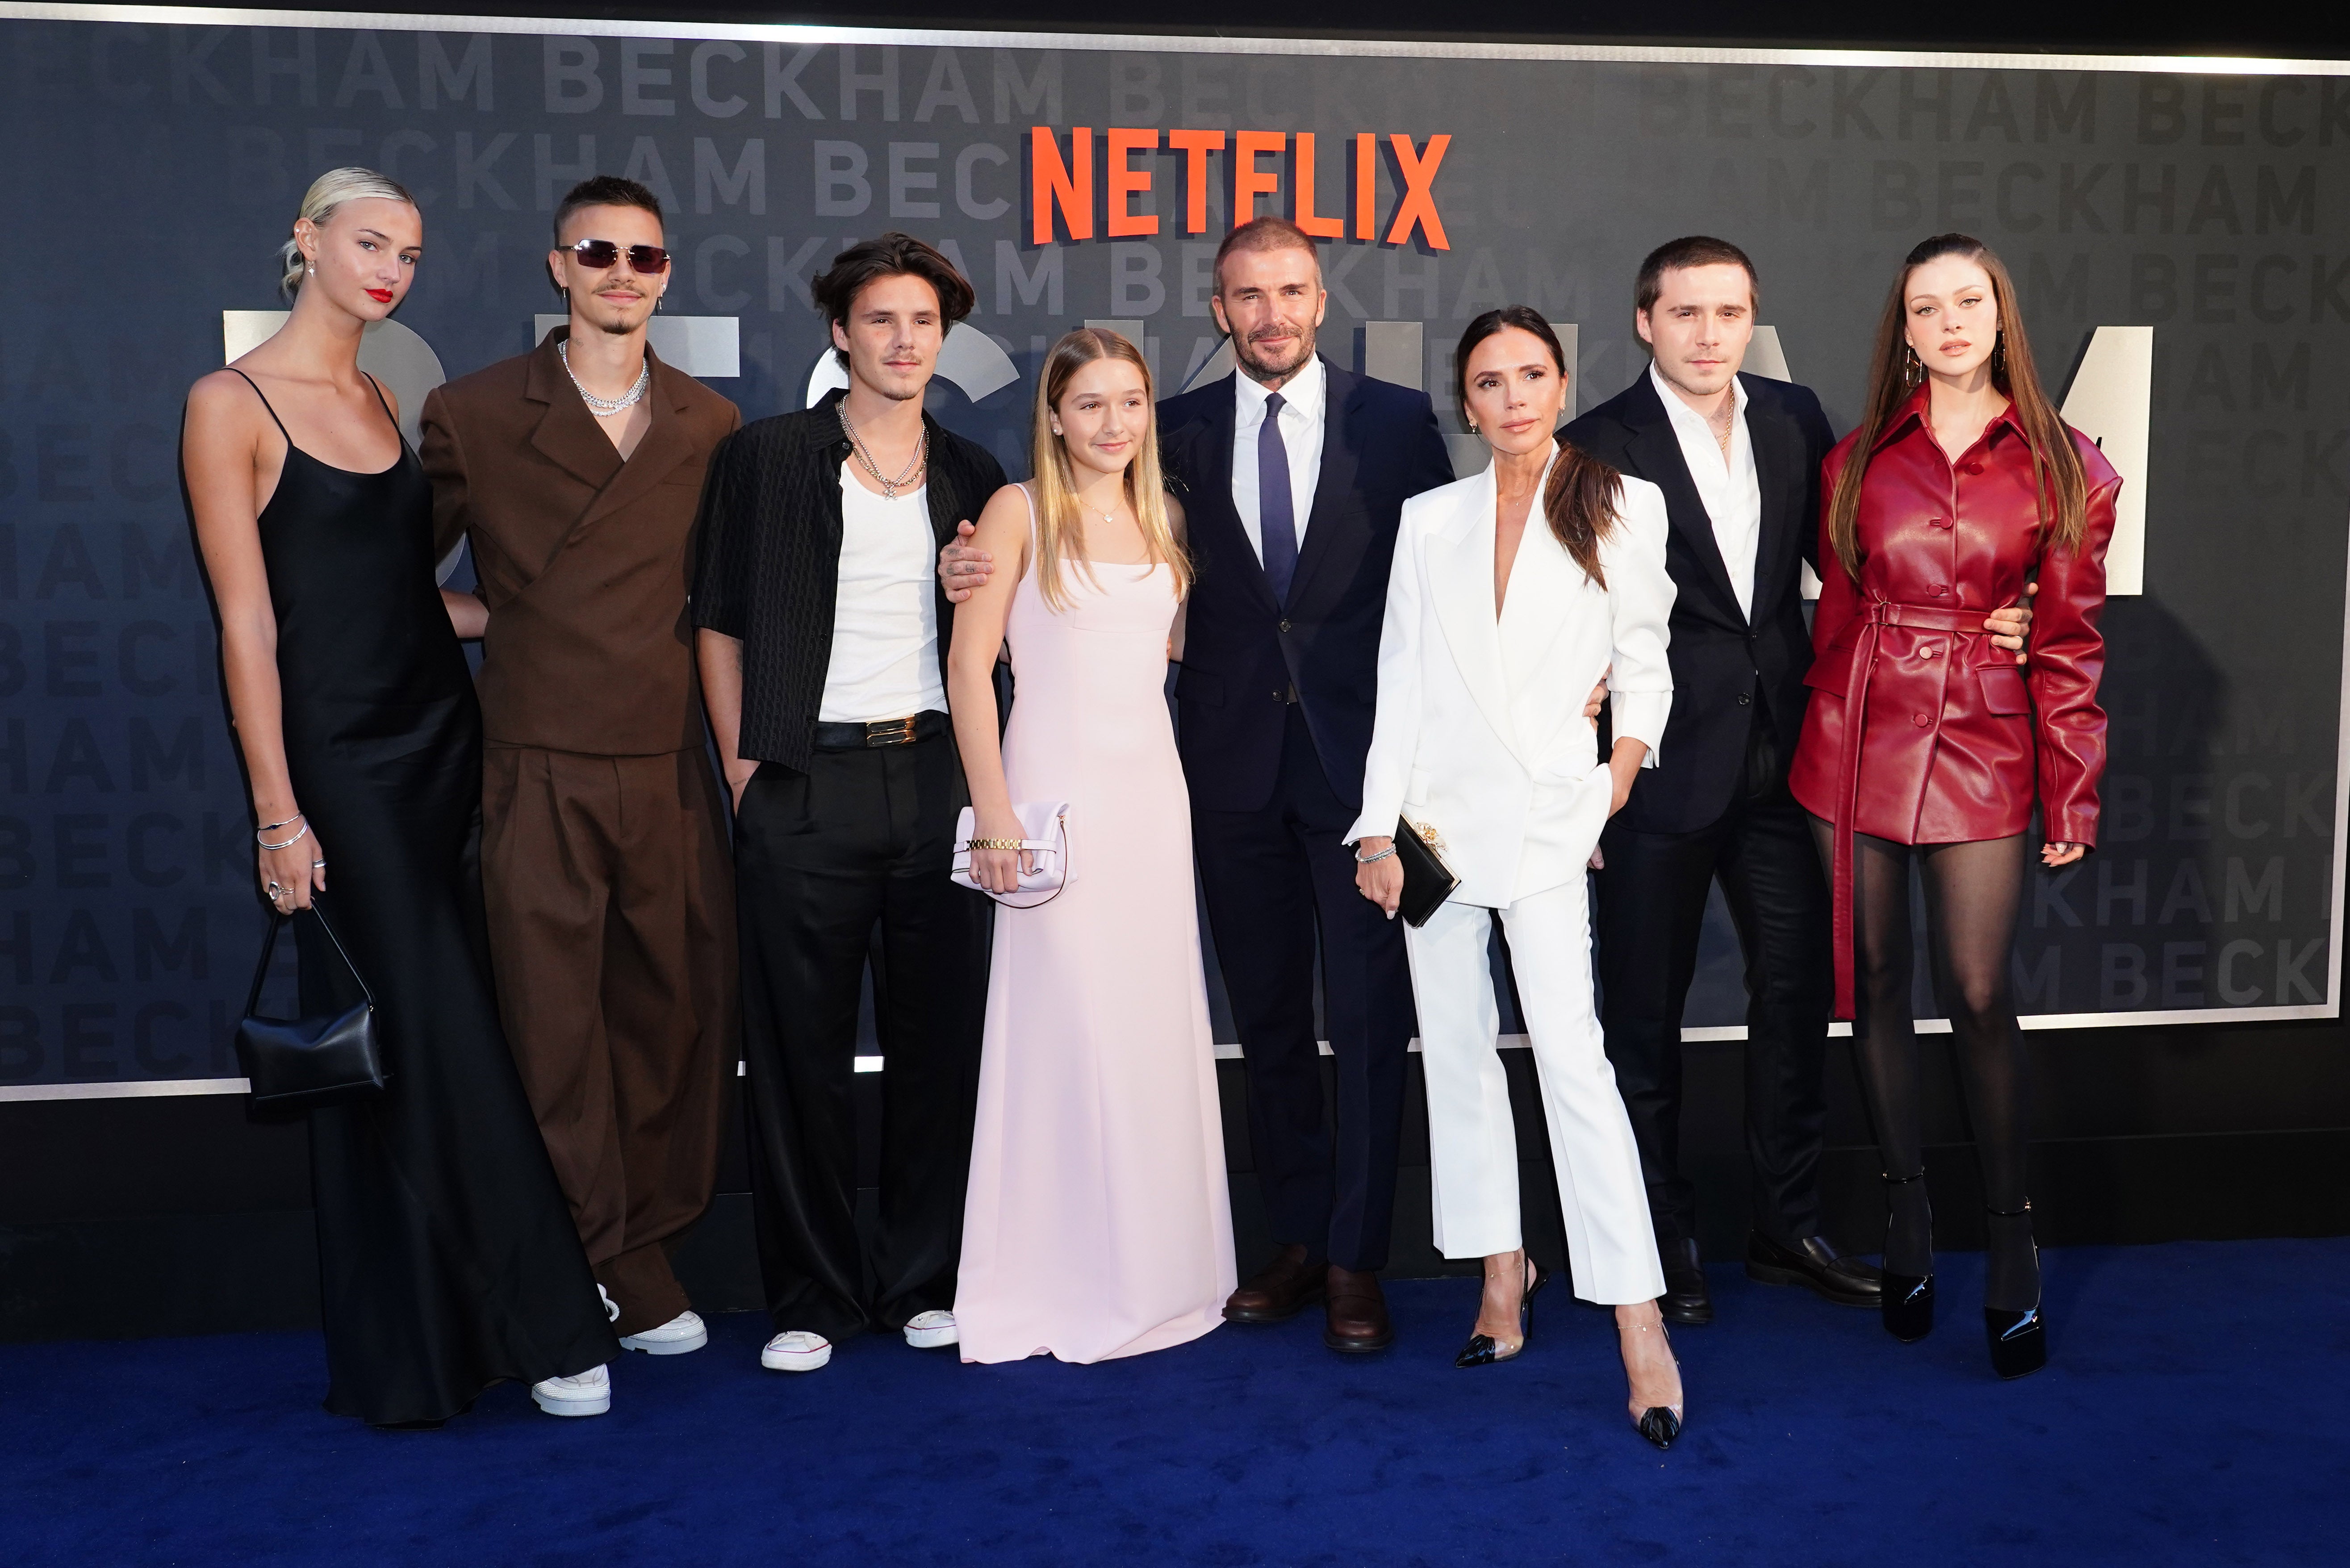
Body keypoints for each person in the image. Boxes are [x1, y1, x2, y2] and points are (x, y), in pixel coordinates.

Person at [948, 217, 1457, 1354]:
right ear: (1219, 311)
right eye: (1248, 296)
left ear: (1320, 299)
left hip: (1361, 782)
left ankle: (1358, 1257)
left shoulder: (1395, 421)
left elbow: (1446, 582)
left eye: (1292, 291)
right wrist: (966, 562)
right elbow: (1095, 565)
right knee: (1267, 1019)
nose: (1272, 314)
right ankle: (1298, 1238)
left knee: (1367, 1021)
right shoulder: (1167, 431)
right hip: (1221, 778)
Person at [182, 167, 617, 1426]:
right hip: (339, 765)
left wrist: (541, 617)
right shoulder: (229, 403)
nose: (390, 270)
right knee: (442, 1031)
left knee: (418, 1042)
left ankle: (419, 1342)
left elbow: (397, 593)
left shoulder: (385, 397)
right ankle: (549, 1317)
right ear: (307, 240)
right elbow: (249, 623)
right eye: (370, 243)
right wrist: (278, 812)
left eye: (410, 254)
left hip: (442, 741)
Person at [1564, 237, 2032, 1325]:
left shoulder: (1795, 417)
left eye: (1729, 313)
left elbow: (1867, 565)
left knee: (1798, 996)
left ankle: (1786, 1227)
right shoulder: (1594, 445)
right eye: (1685, 313)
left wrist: (2008, 612)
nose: (1708, 334)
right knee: (1643, 1015)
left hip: (1790, 761)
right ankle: (1656, 1243)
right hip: (1655, 769)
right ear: (1644, 321)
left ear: (1752, 318)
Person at [1350, 307, 1687, 1448]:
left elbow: (1645, 668)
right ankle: (1505, 1270)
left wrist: (1610, 786)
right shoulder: (1430, 518)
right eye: (1490, 382)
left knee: (1572, 1061)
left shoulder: (1621, 501)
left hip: (1549, 822)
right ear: (1467, 399)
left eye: (1532, 376)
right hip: (1434, 830)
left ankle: (1638, 1316)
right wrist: (1376, 832)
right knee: (1456, 1056)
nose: (1513, 399)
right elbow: (1400, 680)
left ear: (1562, 381)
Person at [420, 175, 740, 1361]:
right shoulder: (473, 412)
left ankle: (636, 1243)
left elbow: (734, 598)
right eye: (597, 252)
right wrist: (510, 617)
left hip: (663, 761)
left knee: (669, 1022)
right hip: (537, 759)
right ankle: (590, 1265)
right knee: (550, 1027)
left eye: (644, 257)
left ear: (667, 275)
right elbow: (394, 581)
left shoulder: (709, 423)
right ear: (558, 267)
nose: (621, 274)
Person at [1790, 233, 2117, 1379]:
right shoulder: (1855, 459)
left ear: (2000, 314)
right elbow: (1837, 611)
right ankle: (1907, 1210)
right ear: (1906, 329)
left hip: (1984, 734)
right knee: (1875, 980)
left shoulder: (2069, 465)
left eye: (1967, 301)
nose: (1949, 324)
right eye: (1926, 308)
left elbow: (2070, 645)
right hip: (1854, 734)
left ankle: (2013, 1232)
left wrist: (2073, 784)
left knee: (1979, 992)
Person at [694, 234, 1004, 1374]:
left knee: (940, 1051)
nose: (904, 341)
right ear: (840, 333)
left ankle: (923, 1279)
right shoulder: (767, 456)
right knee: (797, 1058)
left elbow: (1005, 637)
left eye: (923, 322)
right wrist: (744, 773)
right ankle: (813, 1297)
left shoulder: (975, 471)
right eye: (881, 319)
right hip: (801, 782)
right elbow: (717, 621)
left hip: (937, 780)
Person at [947, 329, 1237, 1363]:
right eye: (1091, 404)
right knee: (1065, 1034)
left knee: (1148, 1034)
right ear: (1056, 416)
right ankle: (1052, 1279)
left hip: (1152, 803)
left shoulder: (1166, 519)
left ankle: (1158, 1274)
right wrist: (994, 813)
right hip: (1052, 802)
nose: (1114, 424)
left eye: (1131, 402)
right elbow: (970, 670)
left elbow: (1167, 653)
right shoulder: (1019, 511)